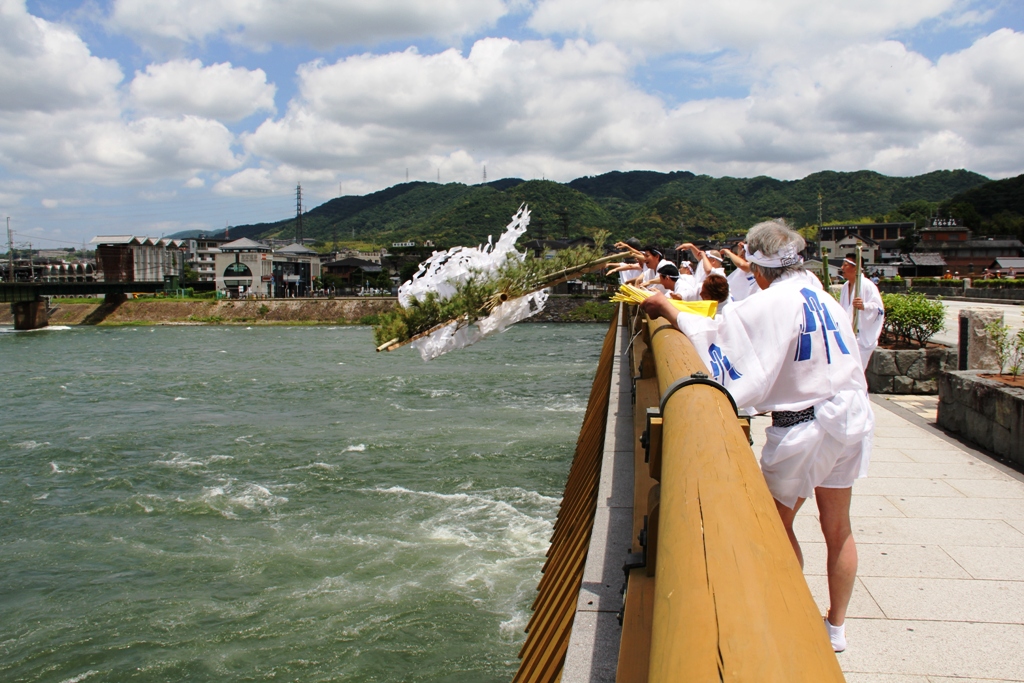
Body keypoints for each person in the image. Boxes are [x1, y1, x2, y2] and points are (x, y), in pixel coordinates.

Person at [639, 219, 873, 654]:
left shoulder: (773, 302)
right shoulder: (821, 294)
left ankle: (797, 620)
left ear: (759, 268)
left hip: (808, 421)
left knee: (774, 525)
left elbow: (719, 341)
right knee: (838, 526)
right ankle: (835, 629)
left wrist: (668, 310)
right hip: (853, 412)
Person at [839, 254, 884, 369]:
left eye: (845, 265)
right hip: (847, 335)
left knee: (856, 371)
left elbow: (879, 309)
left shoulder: (867, 285)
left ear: (856, 268)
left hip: (862, 337)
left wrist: (864, 306)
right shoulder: (845, 286)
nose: (842, 268)